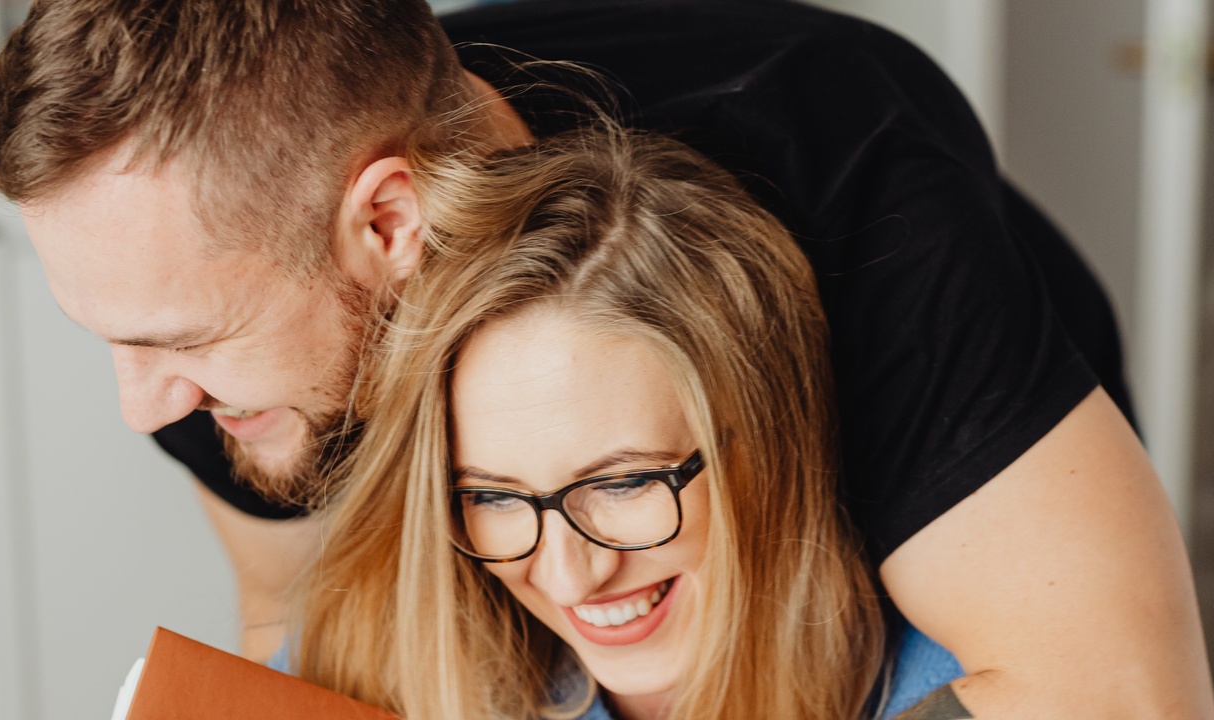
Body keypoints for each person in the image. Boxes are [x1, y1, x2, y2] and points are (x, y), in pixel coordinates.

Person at [0, 0, 1214, 717]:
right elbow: (298, 631)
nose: (144, 406)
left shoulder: (855, 194)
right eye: (113, 338)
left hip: (944, 439)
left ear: (385, 224)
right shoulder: (234, 358)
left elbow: (1112, 689)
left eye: (182, 342)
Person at [294, 127, 898, 720]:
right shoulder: (363, 670)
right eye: (490, 496)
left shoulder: (970, 677)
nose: (567, 577)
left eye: (625, 483)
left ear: (771, 438)